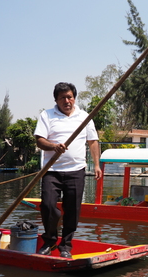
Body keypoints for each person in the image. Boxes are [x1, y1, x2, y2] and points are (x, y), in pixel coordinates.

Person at [34, 82, 102, 258]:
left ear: (74, 98)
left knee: (73, 209)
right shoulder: (47, 115)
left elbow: (93, 141)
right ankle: (49, 241)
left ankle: (65, 245)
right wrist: (53, 146)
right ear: (56, 99)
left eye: (70, 97)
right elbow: (39, 140)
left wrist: (96, 165)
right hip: (52, 170)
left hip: (76, 170)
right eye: (63, 97)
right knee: (48, 206)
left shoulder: (84, 117)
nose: (67, 101)